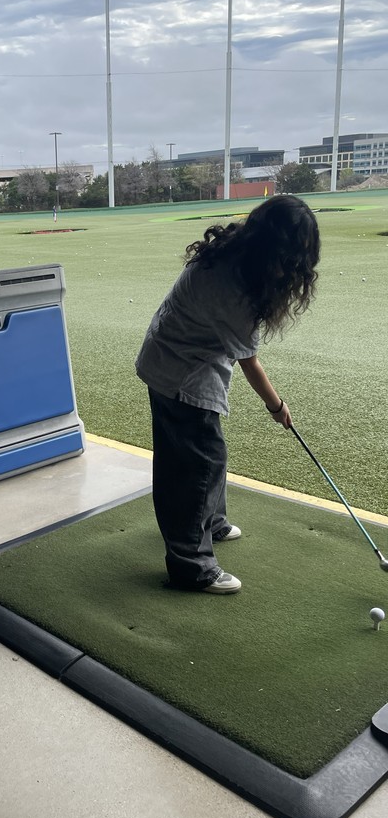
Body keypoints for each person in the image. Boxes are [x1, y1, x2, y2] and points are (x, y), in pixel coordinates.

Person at [135, 195, 321, 595]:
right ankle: (191, 567)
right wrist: (277, 406)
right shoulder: (232, 286)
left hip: (173, 361)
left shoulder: (234, 254)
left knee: (202, 458)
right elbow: (249, 360)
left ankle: (212, 524)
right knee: (194, 468)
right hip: (180, 374)